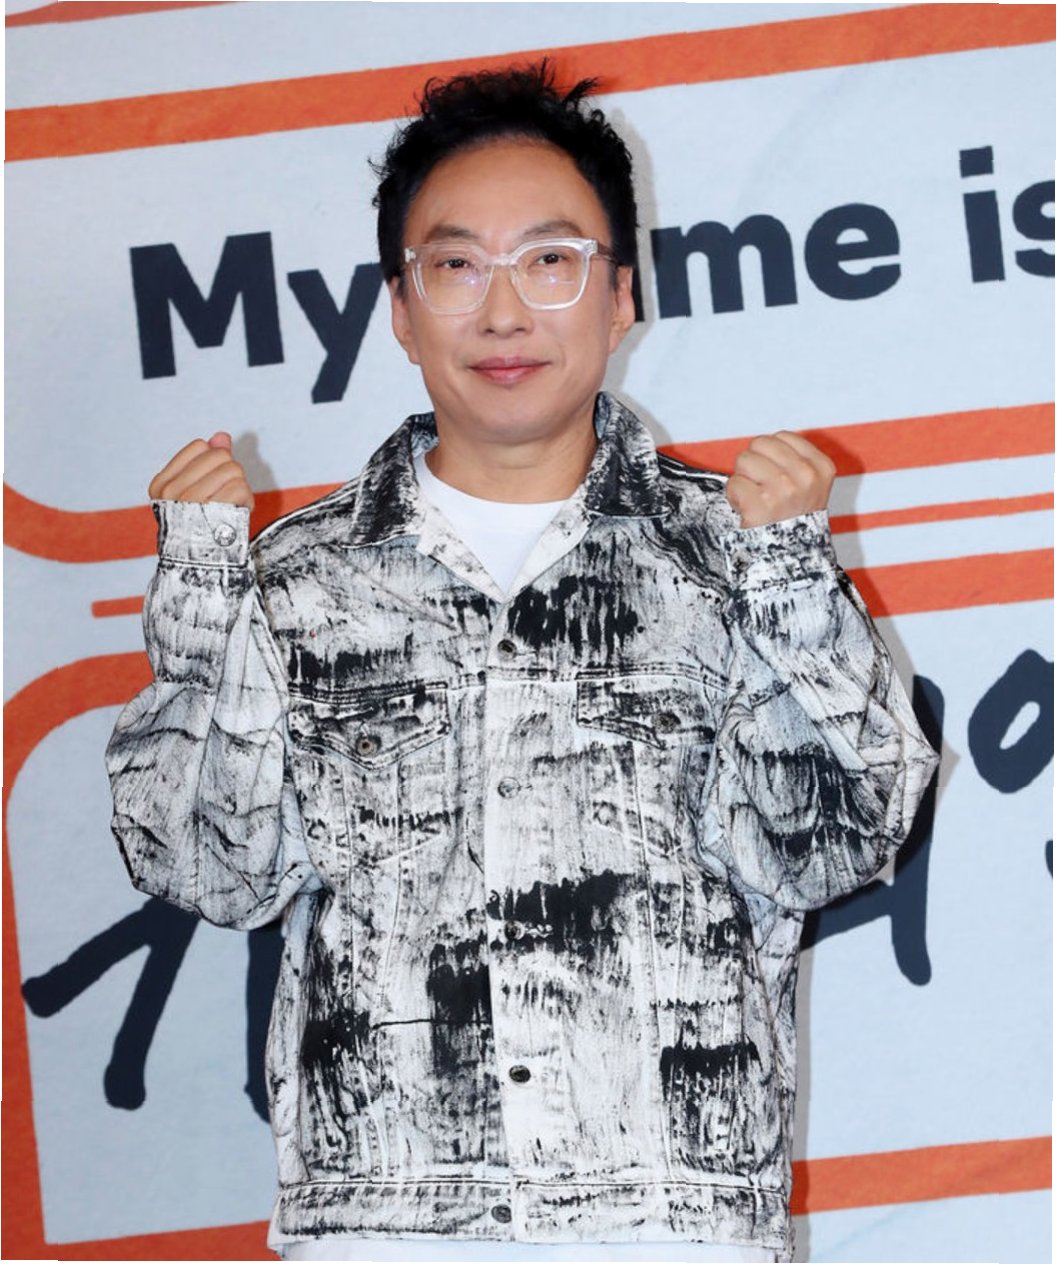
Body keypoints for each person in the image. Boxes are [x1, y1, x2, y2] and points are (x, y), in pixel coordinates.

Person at [107, 64, 938, 1263]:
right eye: (457, 266)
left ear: (619, 295)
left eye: (550, 261)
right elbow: (210, 872)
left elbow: (836, 846)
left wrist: (793, 580)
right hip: (385, 1224)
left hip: (672, 1223)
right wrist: (198, 601)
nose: (503, 313)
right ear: (401, 308)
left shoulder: (732, 553)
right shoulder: (291, 581)